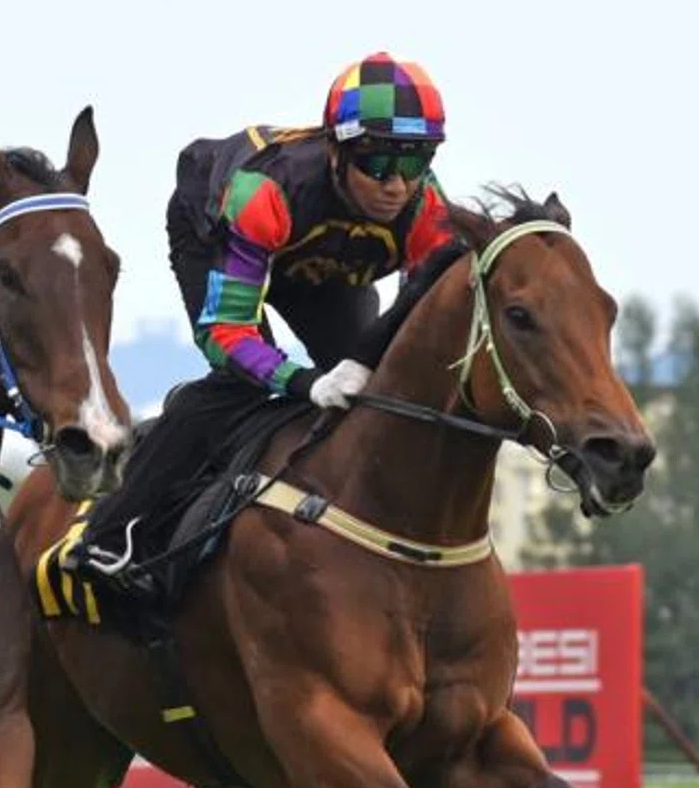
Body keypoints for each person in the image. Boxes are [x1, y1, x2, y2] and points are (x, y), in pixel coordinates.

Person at [107, 52, 457, 537]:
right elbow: (226, 334)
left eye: (416, 160)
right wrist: (305, 382)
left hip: (321, 260)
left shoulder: (426, 207)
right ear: (336, 151)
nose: (397, 184)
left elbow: (419, 327)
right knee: (241, 386)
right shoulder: (264, 192)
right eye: (378, 162)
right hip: (221, 233)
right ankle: (113, 530)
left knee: (381, 386)